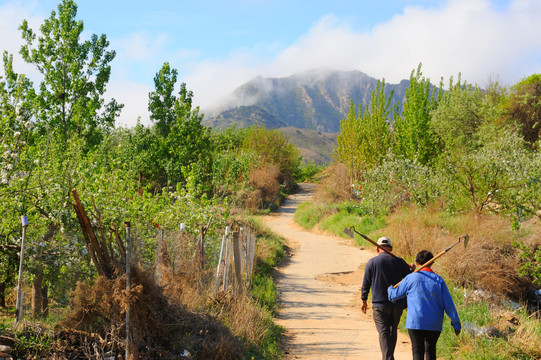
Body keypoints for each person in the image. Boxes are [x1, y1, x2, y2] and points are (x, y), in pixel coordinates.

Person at [388, 250, 461, 360]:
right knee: (431, 351)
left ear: (417, 263)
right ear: (432, 263)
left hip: (415, 323)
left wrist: (390, 289)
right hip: (434, 324)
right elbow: (448, 304)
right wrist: (456, 323)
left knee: (417, 352)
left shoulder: (411, 278)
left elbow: (394, 296)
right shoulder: (438, 280)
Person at [361, 236, 413, 360]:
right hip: (397, 303)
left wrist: (364, 300)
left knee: (383, 332)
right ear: (391, 248)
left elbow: (366, 283)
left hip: (380, 304)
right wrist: (411, 269)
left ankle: (388, 358)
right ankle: (389, 357)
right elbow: (410, 278)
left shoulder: (372, 262)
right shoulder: (400, 262)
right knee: (392, 330)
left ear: (378, 249)